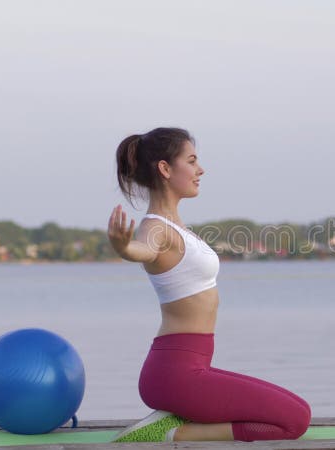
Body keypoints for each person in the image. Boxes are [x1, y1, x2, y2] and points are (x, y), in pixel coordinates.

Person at [106, 127, 311, 442]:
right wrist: (124, 249)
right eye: (191, 161)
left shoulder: (178, 227)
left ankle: (173, 421)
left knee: (299, 409)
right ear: (165, 169)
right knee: (294, 422)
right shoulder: (156, 229)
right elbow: (143, 249)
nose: (200, 169)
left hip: (189, 368)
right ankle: (171, 433)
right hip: (175, 373)